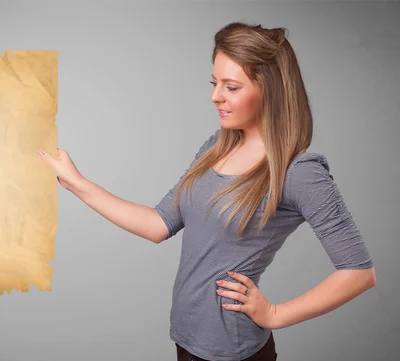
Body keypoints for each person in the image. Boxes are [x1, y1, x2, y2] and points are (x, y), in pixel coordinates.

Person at [38, 22, 376, 361]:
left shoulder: (298, 173)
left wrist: (275, 314)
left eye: (231, 86)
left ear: (269, 90)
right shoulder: (214, 147)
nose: (215, 96)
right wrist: (77, 183)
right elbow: (158, 224)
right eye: (215, 84)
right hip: (186, 338)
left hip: (232, 351)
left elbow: (359, 272)